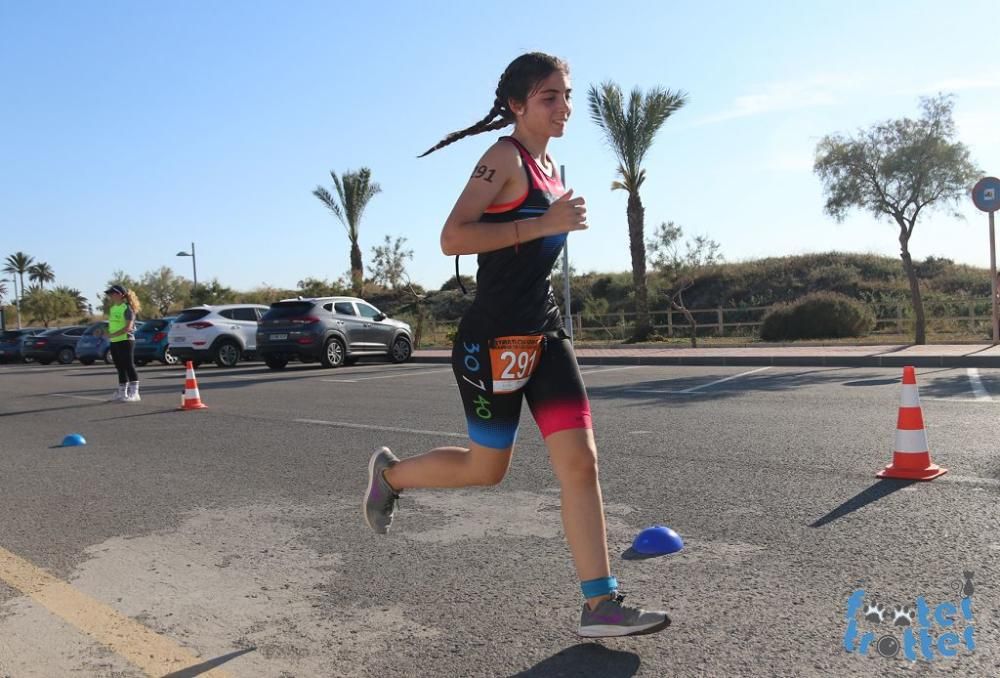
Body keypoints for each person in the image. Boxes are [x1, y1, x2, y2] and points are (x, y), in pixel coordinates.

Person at [363, 52, 670, 637]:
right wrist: (542, 224)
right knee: (488, 468)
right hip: (493, 338)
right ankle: (392, 477)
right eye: (550, 97)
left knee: (581, 462)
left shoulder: (552, 165)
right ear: (517, 104)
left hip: (546, 334)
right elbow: (453, 235)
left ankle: (600, 605)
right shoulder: (502, 158)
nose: (564, 107)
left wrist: (550, 221)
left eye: (567, 95)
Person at [105, 284, 141, 403]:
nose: (111, 295)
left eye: (113, 293)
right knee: (120, 367)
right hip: (115, 342)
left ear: (120, 294)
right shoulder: (113, 308)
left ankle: (134, 393)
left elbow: (128, 327)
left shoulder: (127, 308)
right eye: (110, 293)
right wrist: (108, 333)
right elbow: (114, 325)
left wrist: (113, 334)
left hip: (126, 340)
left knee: (129, 365)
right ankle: (122, 393)